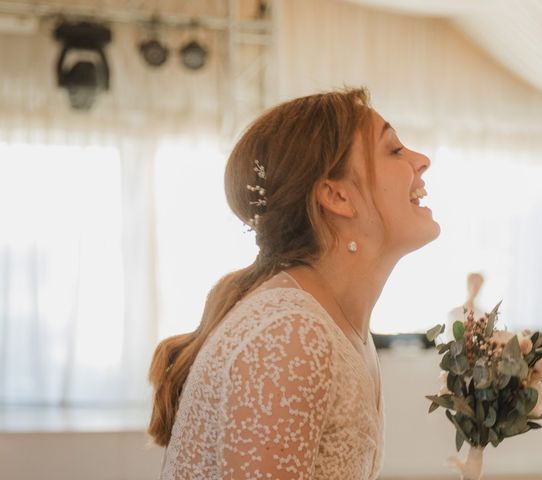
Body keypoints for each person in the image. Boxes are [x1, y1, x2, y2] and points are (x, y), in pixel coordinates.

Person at [147, 88, 440, 479]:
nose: (422, 161)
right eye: (394, 151)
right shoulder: (290, 336)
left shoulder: (335, 327)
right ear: (336, 196)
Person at [444, 272, 485, 342]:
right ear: (468, 285)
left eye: (479, 286)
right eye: (474, 285)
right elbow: (448, 340)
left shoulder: (482, 314)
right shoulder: (453, 313)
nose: (476, 289)